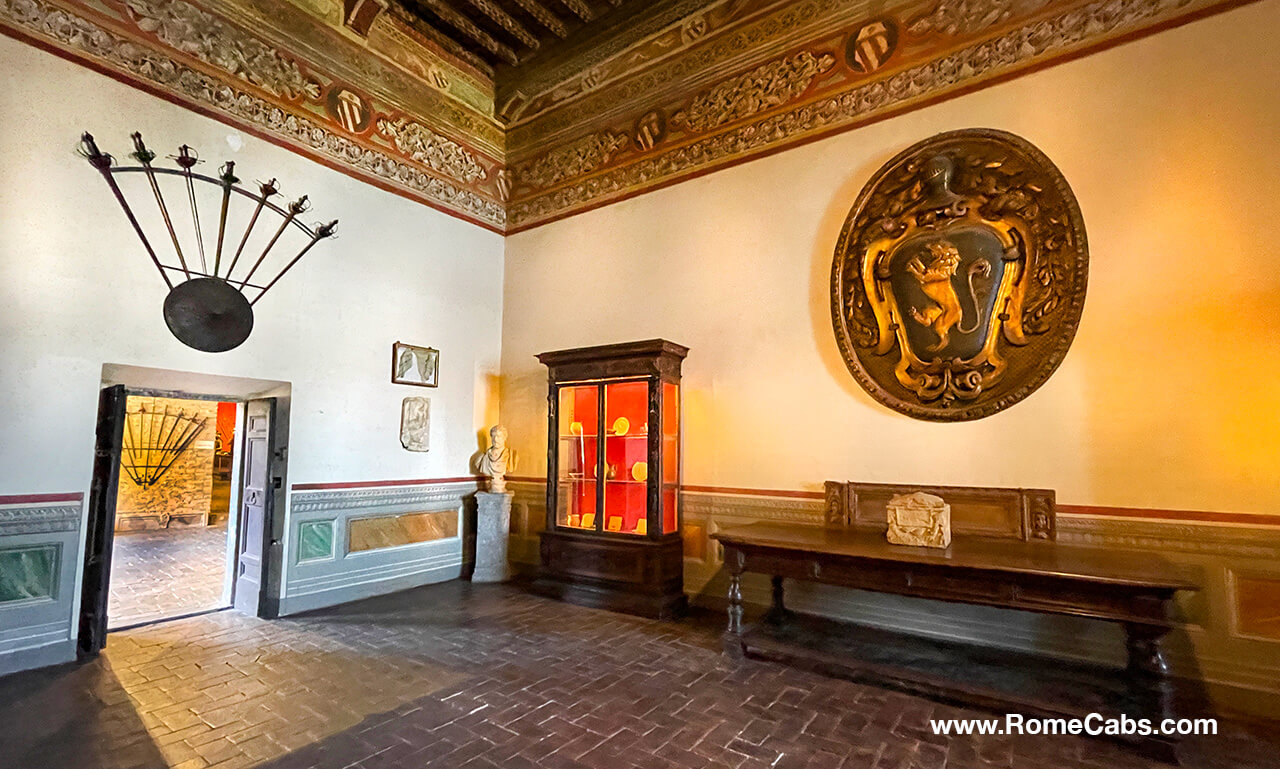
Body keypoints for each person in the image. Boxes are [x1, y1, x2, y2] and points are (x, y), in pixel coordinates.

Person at [479, 425, 514, 493]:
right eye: (493, 436)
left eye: (498, 436)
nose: (495, 439)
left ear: (504, 438)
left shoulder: (511, 455)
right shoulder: (485, 456)